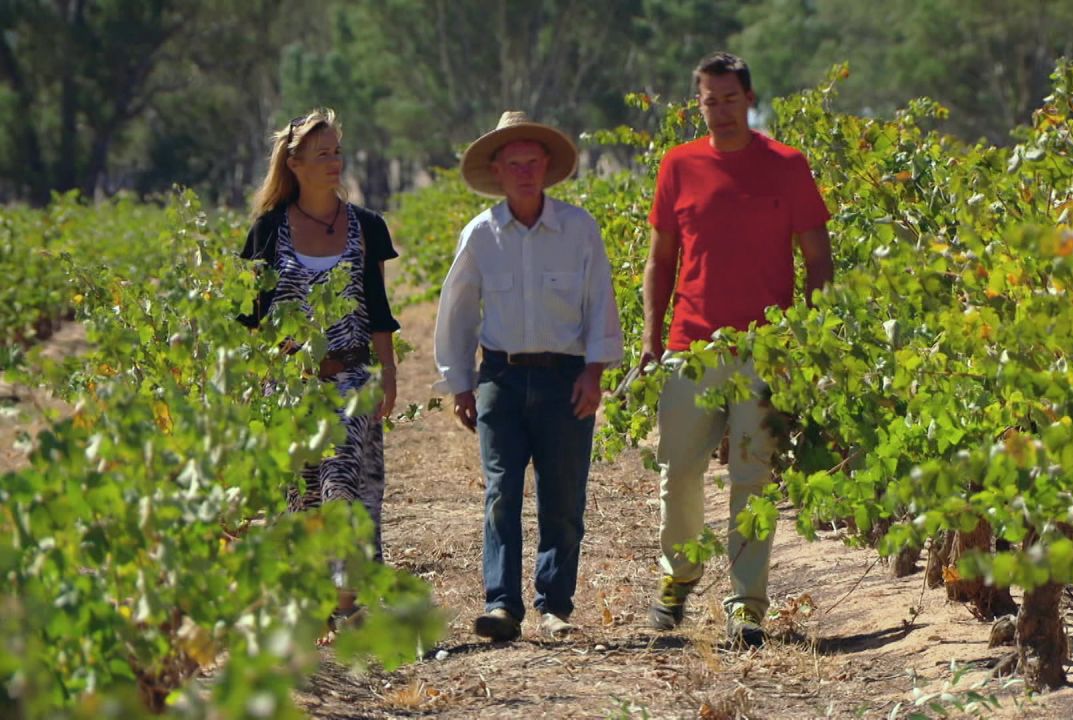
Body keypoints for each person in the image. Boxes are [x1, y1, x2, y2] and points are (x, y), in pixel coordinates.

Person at [643, 52, 834, 647]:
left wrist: (810, 343)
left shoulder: (787, 165)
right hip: (691, 346)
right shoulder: (678, 166)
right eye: (709, 100)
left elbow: (819, 261)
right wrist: (651, 343)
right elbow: (660, 260)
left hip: (767, 349)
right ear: (696, 105)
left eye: (729, 98)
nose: (720, 110)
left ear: (749, 99)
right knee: (679, 473)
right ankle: (678, 579)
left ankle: (747, 604)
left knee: (754, 478)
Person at [434, 111, 623, 642]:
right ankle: (501, 605)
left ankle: (555, 605)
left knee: (563, 498)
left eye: (531, 162)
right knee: (501, 493)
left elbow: (599, 305)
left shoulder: (578, 230)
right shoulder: (481, 235)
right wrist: (460, 384)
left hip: (566, 378)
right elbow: (458, 311)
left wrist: (594, 372)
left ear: (546, 167)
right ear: (497, 169)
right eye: (512, 163)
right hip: (501, 377)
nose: (523, 172)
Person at [239, 108, 400, 636]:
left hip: (351, 377)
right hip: (287, 385)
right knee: (299, 495)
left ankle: (346, 602)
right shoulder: (267, 232)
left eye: (338, 152)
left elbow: (377, 308)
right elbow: (250, 320)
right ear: (295, 162)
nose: (335, 162)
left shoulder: (366, 227)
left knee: (344, 483)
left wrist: (390, 371)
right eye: (323, 153)